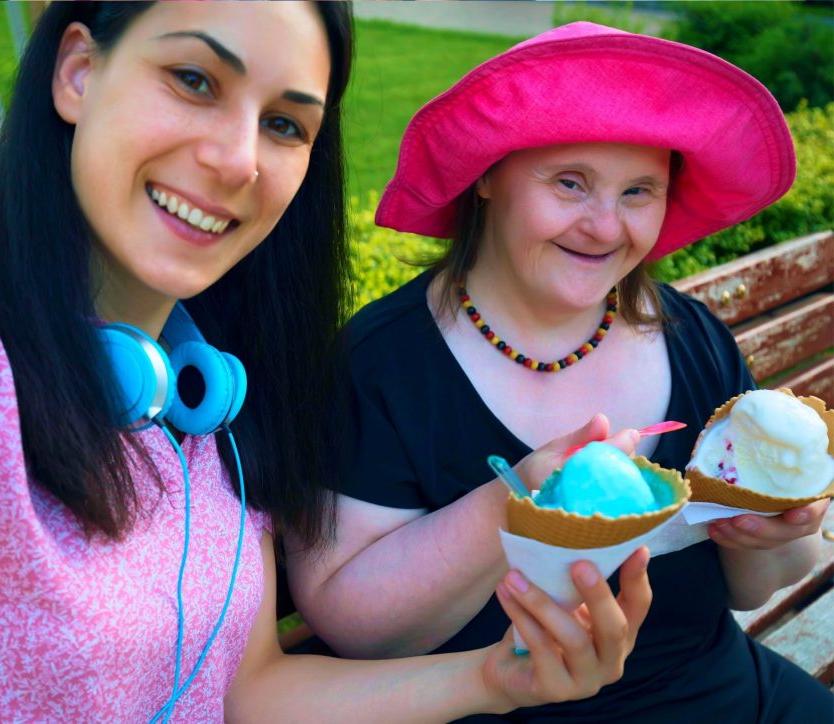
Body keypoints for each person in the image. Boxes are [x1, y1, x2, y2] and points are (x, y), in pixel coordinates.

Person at [0, 5, 654, 722]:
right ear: (76, 72)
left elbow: (252, 691)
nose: (239, 159)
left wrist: (493, 680)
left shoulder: (201, 400)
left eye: (285, 124)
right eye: (194, 80)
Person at [286, 21, 834, 724]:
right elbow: (358, 629)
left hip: (724, 693)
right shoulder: (383, 365)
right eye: (571, 183)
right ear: (486, 175)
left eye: (639, 191)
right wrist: (518, 504)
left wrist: (775, 531)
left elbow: (751, 590)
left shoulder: (691, 336)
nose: (606, 227)